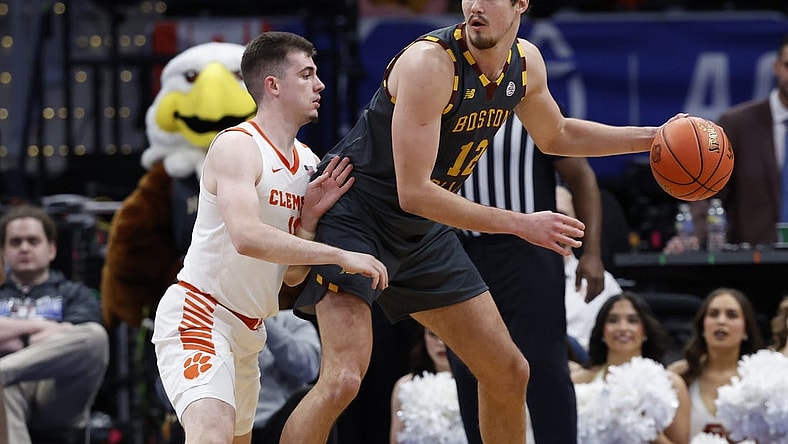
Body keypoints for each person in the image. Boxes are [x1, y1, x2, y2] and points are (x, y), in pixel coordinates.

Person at [280, 1, 685, 442]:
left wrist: (655, 137)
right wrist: (521, 223)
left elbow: (557, 135)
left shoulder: (525, 62)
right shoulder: (429, 63)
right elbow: (413, 192)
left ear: (520, 4)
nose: (475, 4)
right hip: (357, 217)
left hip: (420, 232)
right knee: (343, 381)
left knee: (508, 371)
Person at [150, 31, 389, 444]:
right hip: (201, 314)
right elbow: (245, 236)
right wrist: (340, 255)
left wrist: (310, 219)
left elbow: (292, 277)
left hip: (251, 329)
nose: (320, 85)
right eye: (307, 74)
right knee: (211, 435)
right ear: (272, 85)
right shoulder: (236, 146)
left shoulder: (309, 163)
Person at [447, 113, 609, 444]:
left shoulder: (529, 105)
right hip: (460, 249)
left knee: (544, 365)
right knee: (469, 369)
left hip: (529, 250)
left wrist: (591, 253)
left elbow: (581, 177)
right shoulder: (440, 104)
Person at [664, 34, 788, 253]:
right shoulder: (739, 124)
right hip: (754, 260)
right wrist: (693, 235)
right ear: (776, 67)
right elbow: (709, 190)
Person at [0, 204, 110, 444]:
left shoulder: (75, 293)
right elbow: (62, 333)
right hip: (10, 389)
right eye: (16, 242)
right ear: (3, 253)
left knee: (95, 336)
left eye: (33, 241)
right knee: (3, 389)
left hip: (58, 390)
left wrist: (17, 335)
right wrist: (43, 327)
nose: (25, 248)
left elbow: (81, 339)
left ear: (51, 249)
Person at [571, 291, 690, 443]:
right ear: (602, 331)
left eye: (632, 320)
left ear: (645, 331)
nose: (622, 327)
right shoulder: (579, 381)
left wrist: (647, 430)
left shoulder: (671, 384)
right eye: (613, 320)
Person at [667, 287, 765, 440]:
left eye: (731, 315)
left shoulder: (760, 379)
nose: (721, 321)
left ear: (746, 329)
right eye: (713, 314)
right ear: (702, 327)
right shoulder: (679, 375)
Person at [251, 309, 331, 444]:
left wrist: (264, 322)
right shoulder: (223, 324)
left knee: (318, 398)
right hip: (236, 422)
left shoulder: (294, 321)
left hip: (279, 422)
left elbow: (309, 370)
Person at [390, 325, 466, 444]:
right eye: (433, 334)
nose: (441, 342)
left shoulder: (476, 385)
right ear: (423, 338)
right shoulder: (405, 386)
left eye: (448, 335)